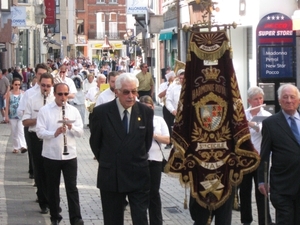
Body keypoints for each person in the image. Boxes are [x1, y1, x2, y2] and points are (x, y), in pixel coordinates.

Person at [89, 73, 153, 225]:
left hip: (138, 172)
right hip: (111, 174)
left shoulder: (145, 112)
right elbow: (95, 144)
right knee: (112, 219)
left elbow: (146, 142)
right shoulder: (101, 113)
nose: (131, 96)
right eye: (126, 92)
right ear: (117, 92)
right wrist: (109, 160)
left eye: (134, 91)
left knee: (140, 218)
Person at [36, 83, 84, 225]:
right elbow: (39, 131)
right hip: (51, 155)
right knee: (52, 187)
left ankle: (76, 218)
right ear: (55, 94)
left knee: (72, 187)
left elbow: (81, 132)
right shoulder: (45, 110)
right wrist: (54, 133)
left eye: (65, 94)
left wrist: (71, 127)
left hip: (70, 155)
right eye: (60, 94)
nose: (63, 97)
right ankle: (55, 217)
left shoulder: (73, 110)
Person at [258, 83, 300, 225]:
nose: (289, 100)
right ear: (279, 100)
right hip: (282, 185)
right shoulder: (271, 123)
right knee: (285, 220)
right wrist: (262, 180)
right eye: (285, 97)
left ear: (298, 100)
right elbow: (264, 154)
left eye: (292, 97)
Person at [240, 87, 274, 225]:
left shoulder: (265, 115)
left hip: (260, 157)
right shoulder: (243, 114)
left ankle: (264, 220)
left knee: (261, 191)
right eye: (256, 99)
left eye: (260, 98)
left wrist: (247, 123)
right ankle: (246, 220)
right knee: (244, 190)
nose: (259, 101)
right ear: (249, 100)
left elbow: (260, 129)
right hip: (245, 158)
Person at [22, 73, 55, 214]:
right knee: (39, 171)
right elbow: (25, 121)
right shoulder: (31, 99)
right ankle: (43, 201)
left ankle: (51, 200)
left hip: (52, 139)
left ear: (52, 86)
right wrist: (39, 119)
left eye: (48, 86)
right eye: (43, 85)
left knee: (51, 171)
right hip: (36, 137)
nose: (45, 88)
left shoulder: (56, 99)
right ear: (39, 84)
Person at [139, 95, 170, 225]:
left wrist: (153, 135)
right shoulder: (137, 120)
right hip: (140, 161)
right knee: (141, 193)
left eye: (150, 107)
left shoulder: (159, 120)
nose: (148, 110)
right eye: (145, 108)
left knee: (154, 193)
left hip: (155, 160)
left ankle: (156, 222)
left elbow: (168, 140)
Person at [17, 63, 49, 180]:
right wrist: (30, 114)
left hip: (47, 130)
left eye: (44, 74)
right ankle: (34, 173)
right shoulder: (29, 93)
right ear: (36, 74)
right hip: (31, 127)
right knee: (33, 153)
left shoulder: (51, 93)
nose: (41, 76)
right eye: (39, 74)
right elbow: (20, 111)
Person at [4, 78, 27, 153]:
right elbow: (7, 105)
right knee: (14, 132)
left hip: (21, 116)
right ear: (12, 85)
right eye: (16, 84)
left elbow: (25, 105)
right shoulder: (9, 94)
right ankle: (15, 147)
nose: (17, 86)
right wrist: (6, 115)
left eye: (19, 84)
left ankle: (23, 146)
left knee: (21, 131)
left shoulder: (23, 93)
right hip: (12, 115)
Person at [158, 70, 176, 149]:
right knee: (168, 124)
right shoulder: (163, 85)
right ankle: (169, 142)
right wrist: (169, 87)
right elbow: (160, 95)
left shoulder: (177, 85)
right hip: (166, 106)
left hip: (175, 107)